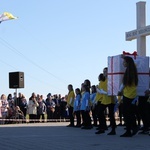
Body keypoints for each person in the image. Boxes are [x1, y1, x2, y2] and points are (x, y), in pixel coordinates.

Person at [118, 56, 138, 137]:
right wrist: (125, 57)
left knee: (126, 114)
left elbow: (124, 83)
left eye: (124, 62)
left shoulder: (128, 71)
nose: (123, 63)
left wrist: (119, 91)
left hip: (127, 95)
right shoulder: (133, 70)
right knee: (131, 113)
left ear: (127, 63)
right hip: (133, 94)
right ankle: (134, 127)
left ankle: (129, 130)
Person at [95, 67, 116, 135]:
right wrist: (98, 90)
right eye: (104, 71)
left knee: (111, 115)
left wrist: (103, 92)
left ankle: (113, 129)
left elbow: (110, 90)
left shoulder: (111, 80)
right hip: (104, 99)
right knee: (99, 112)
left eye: (106, 71)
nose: (104, 73)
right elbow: (100, 91)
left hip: (110, 99)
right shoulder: (102, 81)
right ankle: (102, 127)